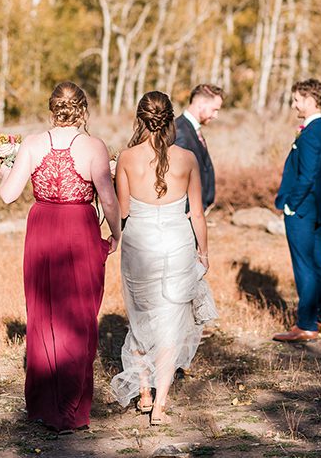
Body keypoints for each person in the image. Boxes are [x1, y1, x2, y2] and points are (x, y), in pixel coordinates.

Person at [0, 82, 119, 433]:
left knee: (42, 310)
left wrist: (6, 170)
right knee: (79, 313)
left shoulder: (32, 144)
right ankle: (70, 409)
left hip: (43, 227)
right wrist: (116, 234)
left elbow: (8, 196)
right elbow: (108, 200)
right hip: (78, 228)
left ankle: (42, 406)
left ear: (52, 108)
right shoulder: (93, 146)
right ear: (82, 109)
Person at [111, 92, 215, 425]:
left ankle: (143, 393)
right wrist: (204, 251)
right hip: (176, 246)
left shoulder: (126, 158)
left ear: (140, 119)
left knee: (141, 319)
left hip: (139, 246)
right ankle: (160, 406)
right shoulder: (186, 158)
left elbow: (123, 210)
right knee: (170, 326)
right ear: (170, 119)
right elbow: (197, 213)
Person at [273, 78, 321, 342]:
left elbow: (308, 175)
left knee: (304, 265)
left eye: (297, 99)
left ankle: (307, 324)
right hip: (318, 207)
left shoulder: (311, 134)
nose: (294, 104)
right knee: (320, 262)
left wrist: (291, 205)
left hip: (302, 210)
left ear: (310, 100)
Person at [173, 84, 223, 213]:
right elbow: (177, 177)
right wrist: (189, 210)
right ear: (201, 103)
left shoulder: (191, 129)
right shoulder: (180, 132)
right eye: (214, 109)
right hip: (187, 214)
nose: (215, 115)